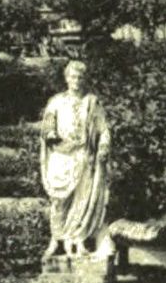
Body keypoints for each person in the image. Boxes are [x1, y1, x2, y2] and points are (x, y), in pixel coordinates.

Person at [39, 60, 112, 257]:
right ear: (66, 78)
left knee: (82, 200)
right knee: (59, 201)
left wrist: (104, 146)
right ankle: (57, 239)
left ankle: (78, 240)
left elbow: (104, 129)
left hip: (83, 157)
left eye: (80, 77)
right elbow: (47, 127)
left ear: (84, 79)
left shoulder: (92, 102)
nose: (76, 81)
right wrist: (51, 134)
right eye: (73, 77)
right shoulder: (56, 102)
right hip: (62, 156)